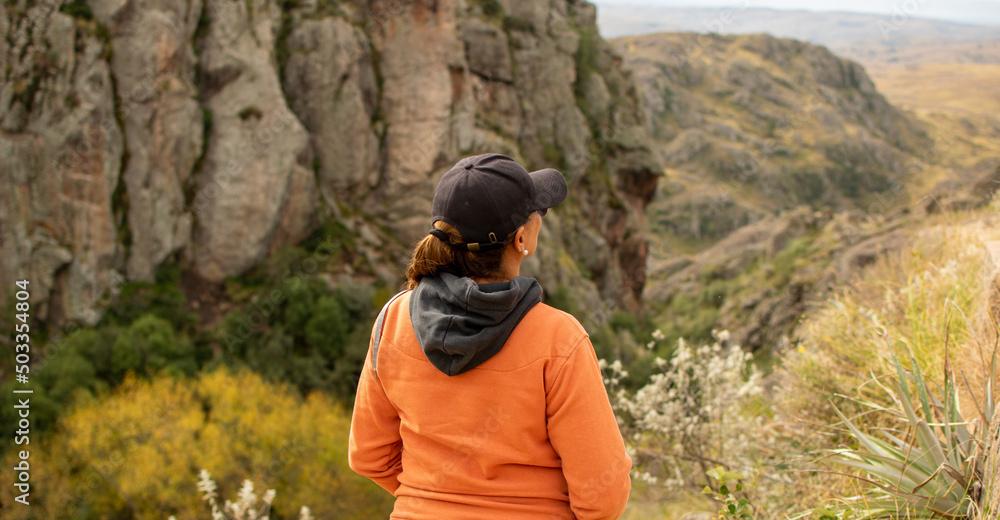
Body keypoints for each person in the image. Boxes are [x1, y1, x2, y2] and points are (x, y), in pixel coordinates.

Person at [348, 153, 632, 520]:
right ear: (520, 239)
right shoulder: (559, 339)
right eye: (537, 213)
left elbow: (369, 457)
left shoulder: (393, 320)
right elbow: (602, 494)